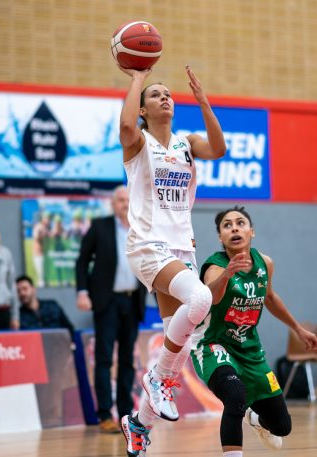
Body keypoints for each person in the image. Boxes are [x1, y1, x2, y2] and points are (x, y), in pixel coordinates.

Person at [117, 64, 227, 457]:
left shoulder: (186, 143)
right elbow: (126, 127)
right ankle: (157, 377)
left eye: (168, 94)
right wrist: (136, 81)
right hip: (148, 246)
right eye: (156, 95)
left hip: (182, 248)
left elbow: (219, 149)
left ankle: (139, 423)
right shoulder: (139, 144)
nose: (165, 98)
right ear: (144, 109)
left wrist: (204, 102)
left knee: (179, 344)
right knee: (200, 302)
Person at [194, 206, 317, 457]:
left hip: (248, 347)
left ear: (252, 231)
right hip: (213, 344)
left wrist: (298, 329)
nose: (234, 228)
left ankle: (255, 419)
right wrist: (227, 275)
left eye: (240, 223)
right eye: (227, 225)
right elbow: (213, 298)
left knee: (282, 426)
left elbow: (270, 298)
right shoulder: (215, 267)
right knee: (234, 393)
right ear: (221, 237)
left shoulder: (265, 263)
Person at [75, 185, 147, 434]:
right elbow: (82, 261)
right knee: (104, 359)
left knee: (128, 360)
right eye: (120, 200)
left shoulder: (141, 228)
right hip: (106, 302)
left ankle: (126, 414)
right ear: (112, 204)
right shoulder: (100, 227)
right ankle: (105, 414)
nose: (125, 204)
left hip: (132, 300)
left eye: (128, 199)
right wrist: (82, 292)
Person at [31, 211, 50, 287]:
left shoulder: (46, 228)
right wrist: (42, 234)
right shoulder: (39, 226)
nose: (48, 220)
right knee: (41, 275)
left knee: (45, 274)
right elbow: (36, 237)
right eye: (47, 218)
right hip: (38, 253)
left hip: (44, 253)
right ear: (43, 219)